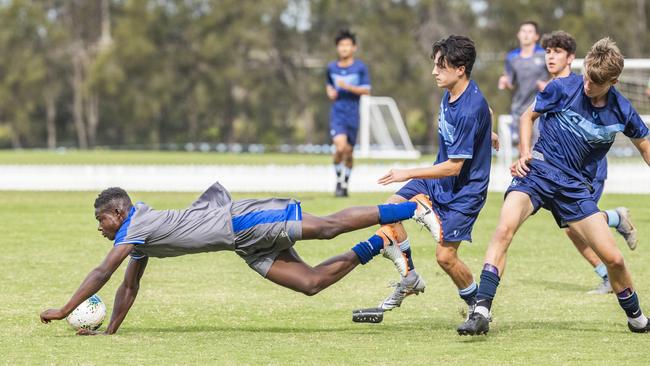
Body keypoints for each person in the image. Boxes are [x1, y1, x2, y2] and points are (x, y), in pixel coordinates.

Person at [39, 181, 436, 335]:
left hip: (245, 220)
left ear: (119, 213)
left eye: (101, 219)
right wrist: (109, 334)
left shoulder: (134, 226)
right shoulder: (137, 237)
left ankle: (410, 209)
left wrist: (63, 309)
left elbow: (102, 272)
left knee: (329, 226)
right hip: (242, 244)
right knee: (311, 284)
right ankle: (382, 241)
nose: (100, 227)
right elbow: (128, 284)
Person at [458, 38, 650, 336]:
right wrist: (524, 152)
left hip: (575, 187)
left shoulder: (622, 111)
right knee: (503, 229)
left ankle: (637, 319)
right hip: (539, 171)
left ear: (613, 81)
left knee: (614, 258)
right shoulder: (563, 87)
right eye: (586, 76)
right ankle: (481, 311)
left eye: (596, 82)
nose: (587, 85)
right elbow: (527, 116)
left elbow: (645, 148)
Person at [361, 35, 498, 319]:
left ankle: (478, 307)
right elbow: (488, 111)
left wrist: (407, 172)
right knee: (390, 210)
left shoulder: (470, 108)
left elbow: (454, 167)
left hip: (465, 191)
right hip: (437, 181)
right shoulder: (454, 93)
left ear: (460, 68)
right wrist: (488, 134)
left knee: (445, 257)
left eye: (441, 65)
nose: (434, 71)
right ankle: (409, 276)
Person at [540, 31, 638, 295]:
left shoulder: (586, 89)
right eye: (547, 51)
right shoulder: (560, 88)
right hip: (559, 172)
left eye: (557, 52)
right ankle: (614, 236)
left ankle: (616, 227)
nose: (550, 56)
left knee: (578, 226)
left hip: (586, 174)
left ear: (571, 58)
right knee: (573, 229)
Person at [326, 29, 371, 197]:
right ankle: (339, 181)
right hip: (338, 114)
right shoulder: (331, 67)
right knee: (340, 147)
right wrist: (330, 91)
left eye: (347, 45)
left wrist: (348, 87)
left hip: (353, 115)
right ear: (337, 48)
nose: (344, 48)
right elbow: (329, 85)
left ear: (354, 48)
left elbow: (367, 90)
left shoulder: (360, 68)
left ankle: (345, 182)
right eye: (341, 45)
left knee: (349, 153)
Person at [498, 20, 549, 145]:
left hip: (539, 107)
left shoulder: (544, 55)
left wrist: (548, 84)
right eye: (523, 31)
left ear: (536, 36)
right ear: (518, 35)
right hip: (519, 108)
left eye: (530, 32)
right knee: (521, 145)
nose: (526, 35)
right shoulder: (512, 57)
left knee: (538, 145)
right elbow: (511, 82)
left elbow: (556, 75)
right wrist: (505, 81)